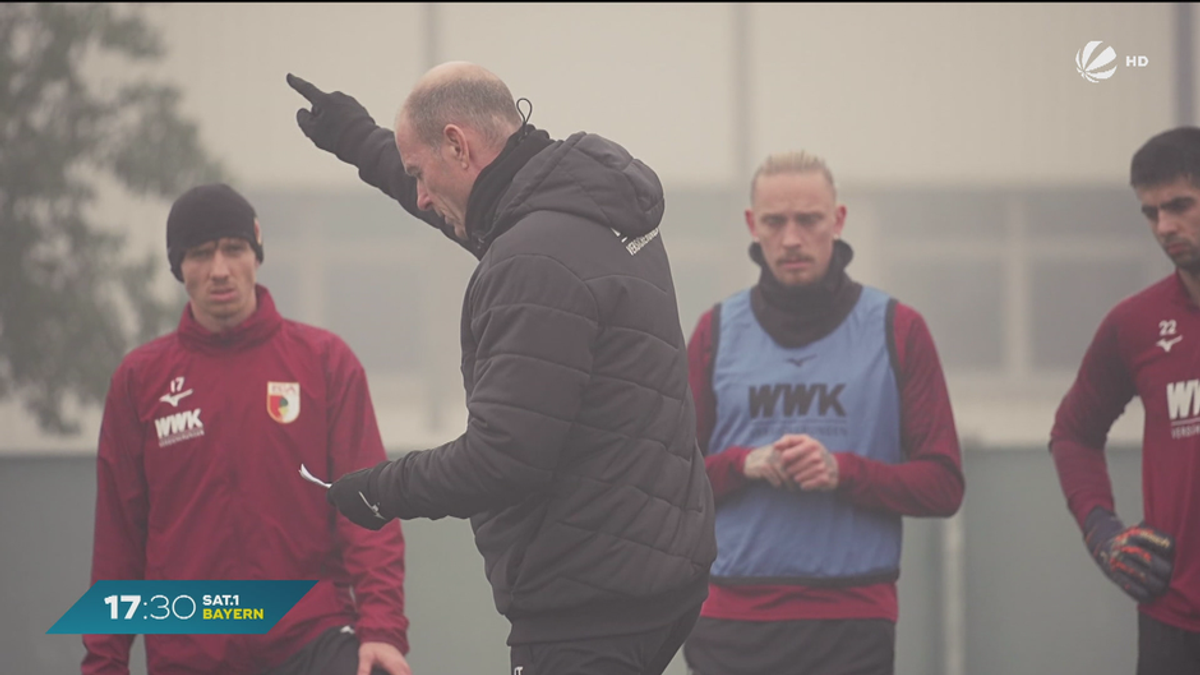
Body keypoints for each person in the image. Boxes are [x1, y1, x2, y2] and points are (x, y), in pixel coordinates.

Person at [286, 61, 716, 675]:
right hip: (659, 575)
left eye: (419, 174)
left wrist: (377, 492)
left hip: (586, 606)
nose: (421, 197)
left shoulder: (531, 258)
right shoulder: (587, 204)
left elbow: (503, 460)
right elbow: (473, 216)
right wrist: (357, 139)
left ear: (458, 145)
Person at [84, 183, 411, 675]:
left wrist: (382, 629)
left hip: (310, 638)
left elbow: (369, 510)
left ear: (256, 251)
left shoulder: (324, 362)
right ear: (178, 268)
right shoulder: (139, 381)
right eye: (200, 254)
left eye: (233, 249)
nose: (219, 269)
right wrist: (104, 663)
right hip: (188, 653)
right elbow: (118, 541)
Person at [680, 152, 966, 675]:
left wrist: (843, 472)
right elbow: (670, 486)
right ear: (752, 225)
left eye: (808, 219)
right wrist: (744, 464)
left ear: (837, 220)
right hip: (731, 622)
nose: (792, 238)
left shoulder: (898, 330)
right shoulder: (715, 333)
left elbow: (944, 485)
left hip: (852, 620)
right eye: (775, 221)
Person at [1050, 126, 1200, 674]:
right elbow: (1072, 434)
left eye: (1180, 205)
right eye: (1151, 212)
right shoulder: (1134, 324)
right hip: (1174, 623)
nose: (1165, 227)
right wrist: (1104, 533)